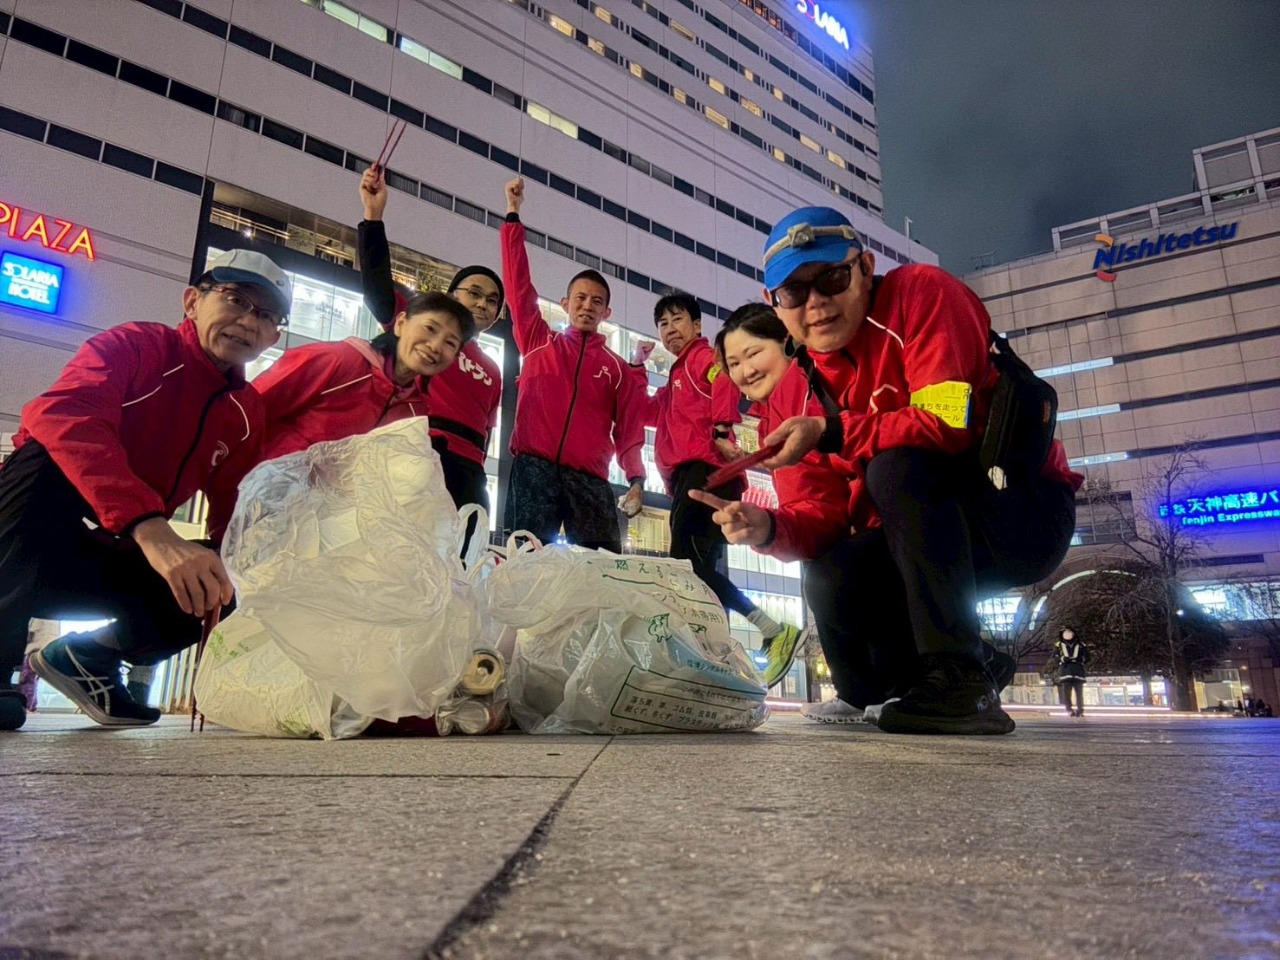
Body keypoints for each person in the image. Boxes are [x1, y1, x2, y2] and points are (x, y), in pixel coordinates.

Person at [692, 206, 1082, 735]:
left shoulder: (922, 294)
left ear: (866, 267)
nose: (817, 303)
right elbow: (822, 515)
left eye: (831, 278)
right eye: (794, 293)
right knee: (830, 572)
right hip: (917, 537)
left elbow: (949, 425)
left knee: (895, 468)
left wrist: (832, 431)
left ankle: (960, 679)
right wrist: (769, 528)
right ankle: (944, 674)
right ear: (775, 305)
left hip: (1016, 510)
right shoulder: (794, 395)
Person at [0, 250, 289, 730]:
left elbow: (234, 510)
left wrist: (256, 578)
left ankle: (87, 658)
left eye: (266, 315)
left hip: (93, 560)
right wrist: (150, 528)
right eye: (235, 300)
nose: (247, 321)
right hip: (26, 542)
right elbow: (63, 415)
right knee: (43, 463)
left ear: (274, 336)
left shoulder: (245, 412)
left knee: (224, 580)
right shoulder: (138, 345)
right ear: (192, 301)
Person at [630, 295, 804, 689]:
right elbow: (641, 412)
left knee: (684, 568)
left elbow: (722, 376)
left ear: (696, 325)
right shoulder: (674, 380)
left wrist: (722, 428)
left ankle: (771, 628)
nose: (670, 329)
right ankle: (717, 660)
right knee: (699, 572)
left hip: (705, 470)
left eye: (678, 319)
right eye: (663, 324)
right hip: (695, 476)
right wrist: (638, 368)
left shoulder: (701, 357)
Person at [499, 177, 648, 551]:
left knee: (601, 570)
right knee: (523, 564)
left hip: (590, 480)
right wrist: (513, 216)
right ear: (565, 303)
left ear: (606, 312)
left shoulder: (617, 370)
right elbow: (517, 284)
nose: (587, 306)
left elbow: (629, 431)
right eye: (580, 298)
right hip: (534, 469)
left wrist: (636, 479)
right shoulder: (537, 341)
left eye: (597, 301)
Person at [356, 165, 504, 516]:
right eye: (475, 293)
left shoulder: (493, 370)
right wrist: (373, 216)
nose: (483, 303)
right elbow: (378, 287)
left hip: (471, 473)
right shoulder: (421, 322)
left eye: (493, 300)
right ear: (453, 295)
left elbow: (487, 432)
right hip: (418, 453)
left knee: (465, 560)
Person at [252, 289, 475, 460]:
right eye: (430, 328)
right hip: (252, 496)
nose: (435, 346)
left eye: (450, 343)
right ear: (400, 324)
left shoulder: (413, 412)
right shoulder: (338, 360)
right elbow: (247, 410)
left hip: (322, 516)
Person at [1052, 628, 1089, 717]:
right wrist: (1063, 659)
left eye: (1070, 633)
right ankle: (1069, 710)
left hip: (1078, 672)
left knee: (1079, 694)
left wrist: (1080, 659)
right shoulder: (1059, 645)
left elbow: (1087, 657)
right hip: (1066, 672)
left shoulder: (1081, 645)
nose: (1068, 635)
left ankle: (1080, 710)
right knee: (1066, 694)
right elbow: (1054, 656)